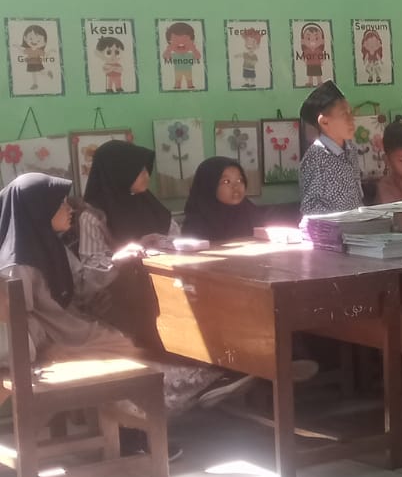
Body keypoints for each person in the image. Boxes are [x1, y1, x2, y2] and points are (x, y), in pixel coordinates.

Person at [0, 174, 253, 413]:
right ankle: (140, 419)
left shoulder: (48, 246)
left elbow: (81, 283)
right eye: (60, 204)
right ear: (38, 211)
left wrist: (116, 261)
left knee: (136, 336)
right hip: (61, 342)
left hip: (74, 329)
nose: (69, 209)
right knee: (133, 352)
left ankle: (199, 384)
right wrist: (47, 353)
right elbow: (19, 324)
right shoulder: (18, 265)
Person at [77, 141, 173, 261]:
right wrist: (122, 258)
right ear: (119, 172)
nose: (147, 176)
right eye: (140, 171)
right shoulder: (93, 218)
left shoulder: (150, 204)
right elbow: (92, 266)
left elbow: (175, 239)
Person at [298, 81, 363, 216]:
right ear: (324, 122)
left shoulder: (351, 149)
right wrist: (338, 222)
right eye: (344, 114)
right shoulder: (315, 158)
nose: (352, 119)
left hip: (356, 224)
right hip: (331, 228)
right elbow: (310, 207)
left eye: (351, 113)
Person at [180, 157, 261, 243]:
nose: (236, 186)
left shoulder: (251, 213)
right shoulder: (195, 225)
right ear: (209, 186)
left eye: (239, 180)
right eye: (226, 181)